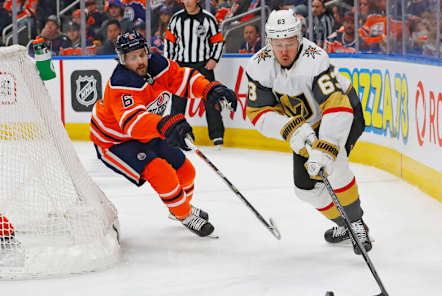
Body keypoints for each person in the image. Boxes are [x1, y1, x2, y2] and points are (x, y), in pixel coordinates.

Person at [245, 10, 371, 254]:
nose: (283, 51)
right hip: (306, 125)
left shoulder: (316, 60)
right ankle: (344, 224)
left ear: (299, 39)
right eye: (277, 44)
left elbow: (337, 106)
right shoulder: (258, 66)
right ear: (269, 41)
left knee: (335, 167)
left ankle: (357, 223)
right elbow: (258, 112)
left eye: (289, 44)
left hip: (344, 115)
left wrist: (326, 148)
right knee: (305, 189)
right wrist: (288, 128)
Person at [90, 30, 237, 237]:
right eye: (133, 57)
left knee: (186, 172)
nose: (140, 61)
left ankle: (178, 208)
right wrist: (165, 125)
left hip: (149, 129)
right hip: (115, 141)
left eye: (142, 54)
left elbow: (181, 78)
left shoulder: (156, 64)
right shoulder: (121, 83)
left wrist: (208, 89)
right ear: (123, 60)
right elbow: (133, 123)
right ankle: (183, 214)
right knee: (161, 172)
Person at [164, 0, 226, 147]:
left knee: (211, 100)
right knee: (178, 103)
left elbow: (218, 41)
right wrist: (171, 63)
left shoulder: (208, 18)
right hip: (181, 66)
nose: (187, 2)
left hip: (203, 66)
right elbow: (169, 42)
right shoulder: (176, 18)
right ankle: (175, 135)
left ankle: (217, 136)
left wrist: (213, 59)